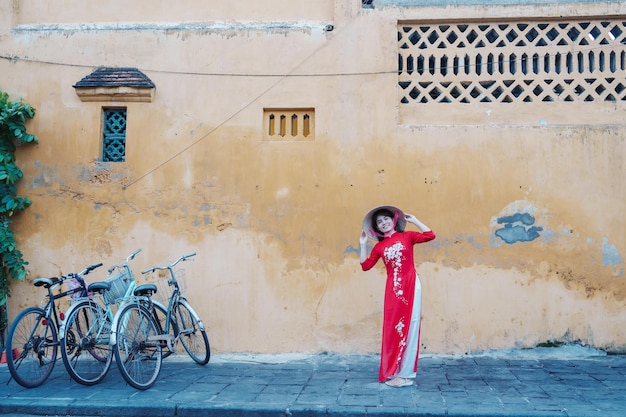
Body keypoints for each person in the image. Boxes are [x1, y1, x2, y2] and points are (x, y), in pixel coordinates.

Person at [359, 205, 436, 387]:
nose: (383, 223)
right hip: (393, 290)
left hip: (410, 284)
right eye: (379, 222)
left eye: (386, 219)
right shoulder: (380, 246)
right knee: (394, 328)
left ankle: (406, 375)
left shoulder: (407, 236)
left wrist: (415, 220)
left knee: (411, 324)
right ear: (376, 227)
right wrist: (363, 245)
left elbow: (430, 235)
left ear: (393, 220)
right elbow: (365, 266)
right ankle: (396, 371)